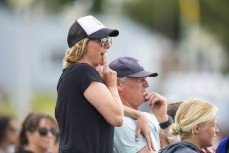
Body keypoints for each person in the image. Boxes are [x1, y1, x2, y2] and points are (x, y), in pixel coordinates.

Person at [55, 15, 157, 153]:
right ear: (83, 44)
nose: (108, 45)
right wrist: (111, 84)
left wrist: (138, 115)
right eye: (102, 41)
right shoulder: (83, 71)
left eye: (108, 40)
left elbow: (106, 106)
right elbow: (117, 117)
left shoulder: (71, 73)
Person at [109, 57, 177, 153]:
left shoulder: (148, 117)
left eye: (145, 79)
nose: (147, 84)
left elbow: (180, 144)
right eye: (140, 79)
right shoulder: (121, 122)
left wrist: (165, 119)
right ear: (118, 84)